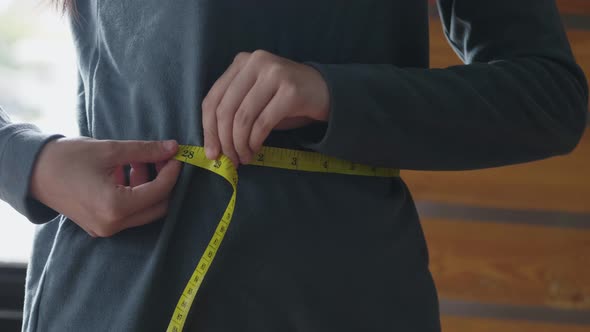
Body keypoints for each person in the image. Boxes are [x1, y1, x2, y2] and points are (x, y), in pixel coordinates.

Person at [0, 0, 587, 331]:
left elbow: (549, 98)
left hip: (334, 302)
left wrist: (335, 95)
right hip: (109, 299)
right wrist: (29, 160)